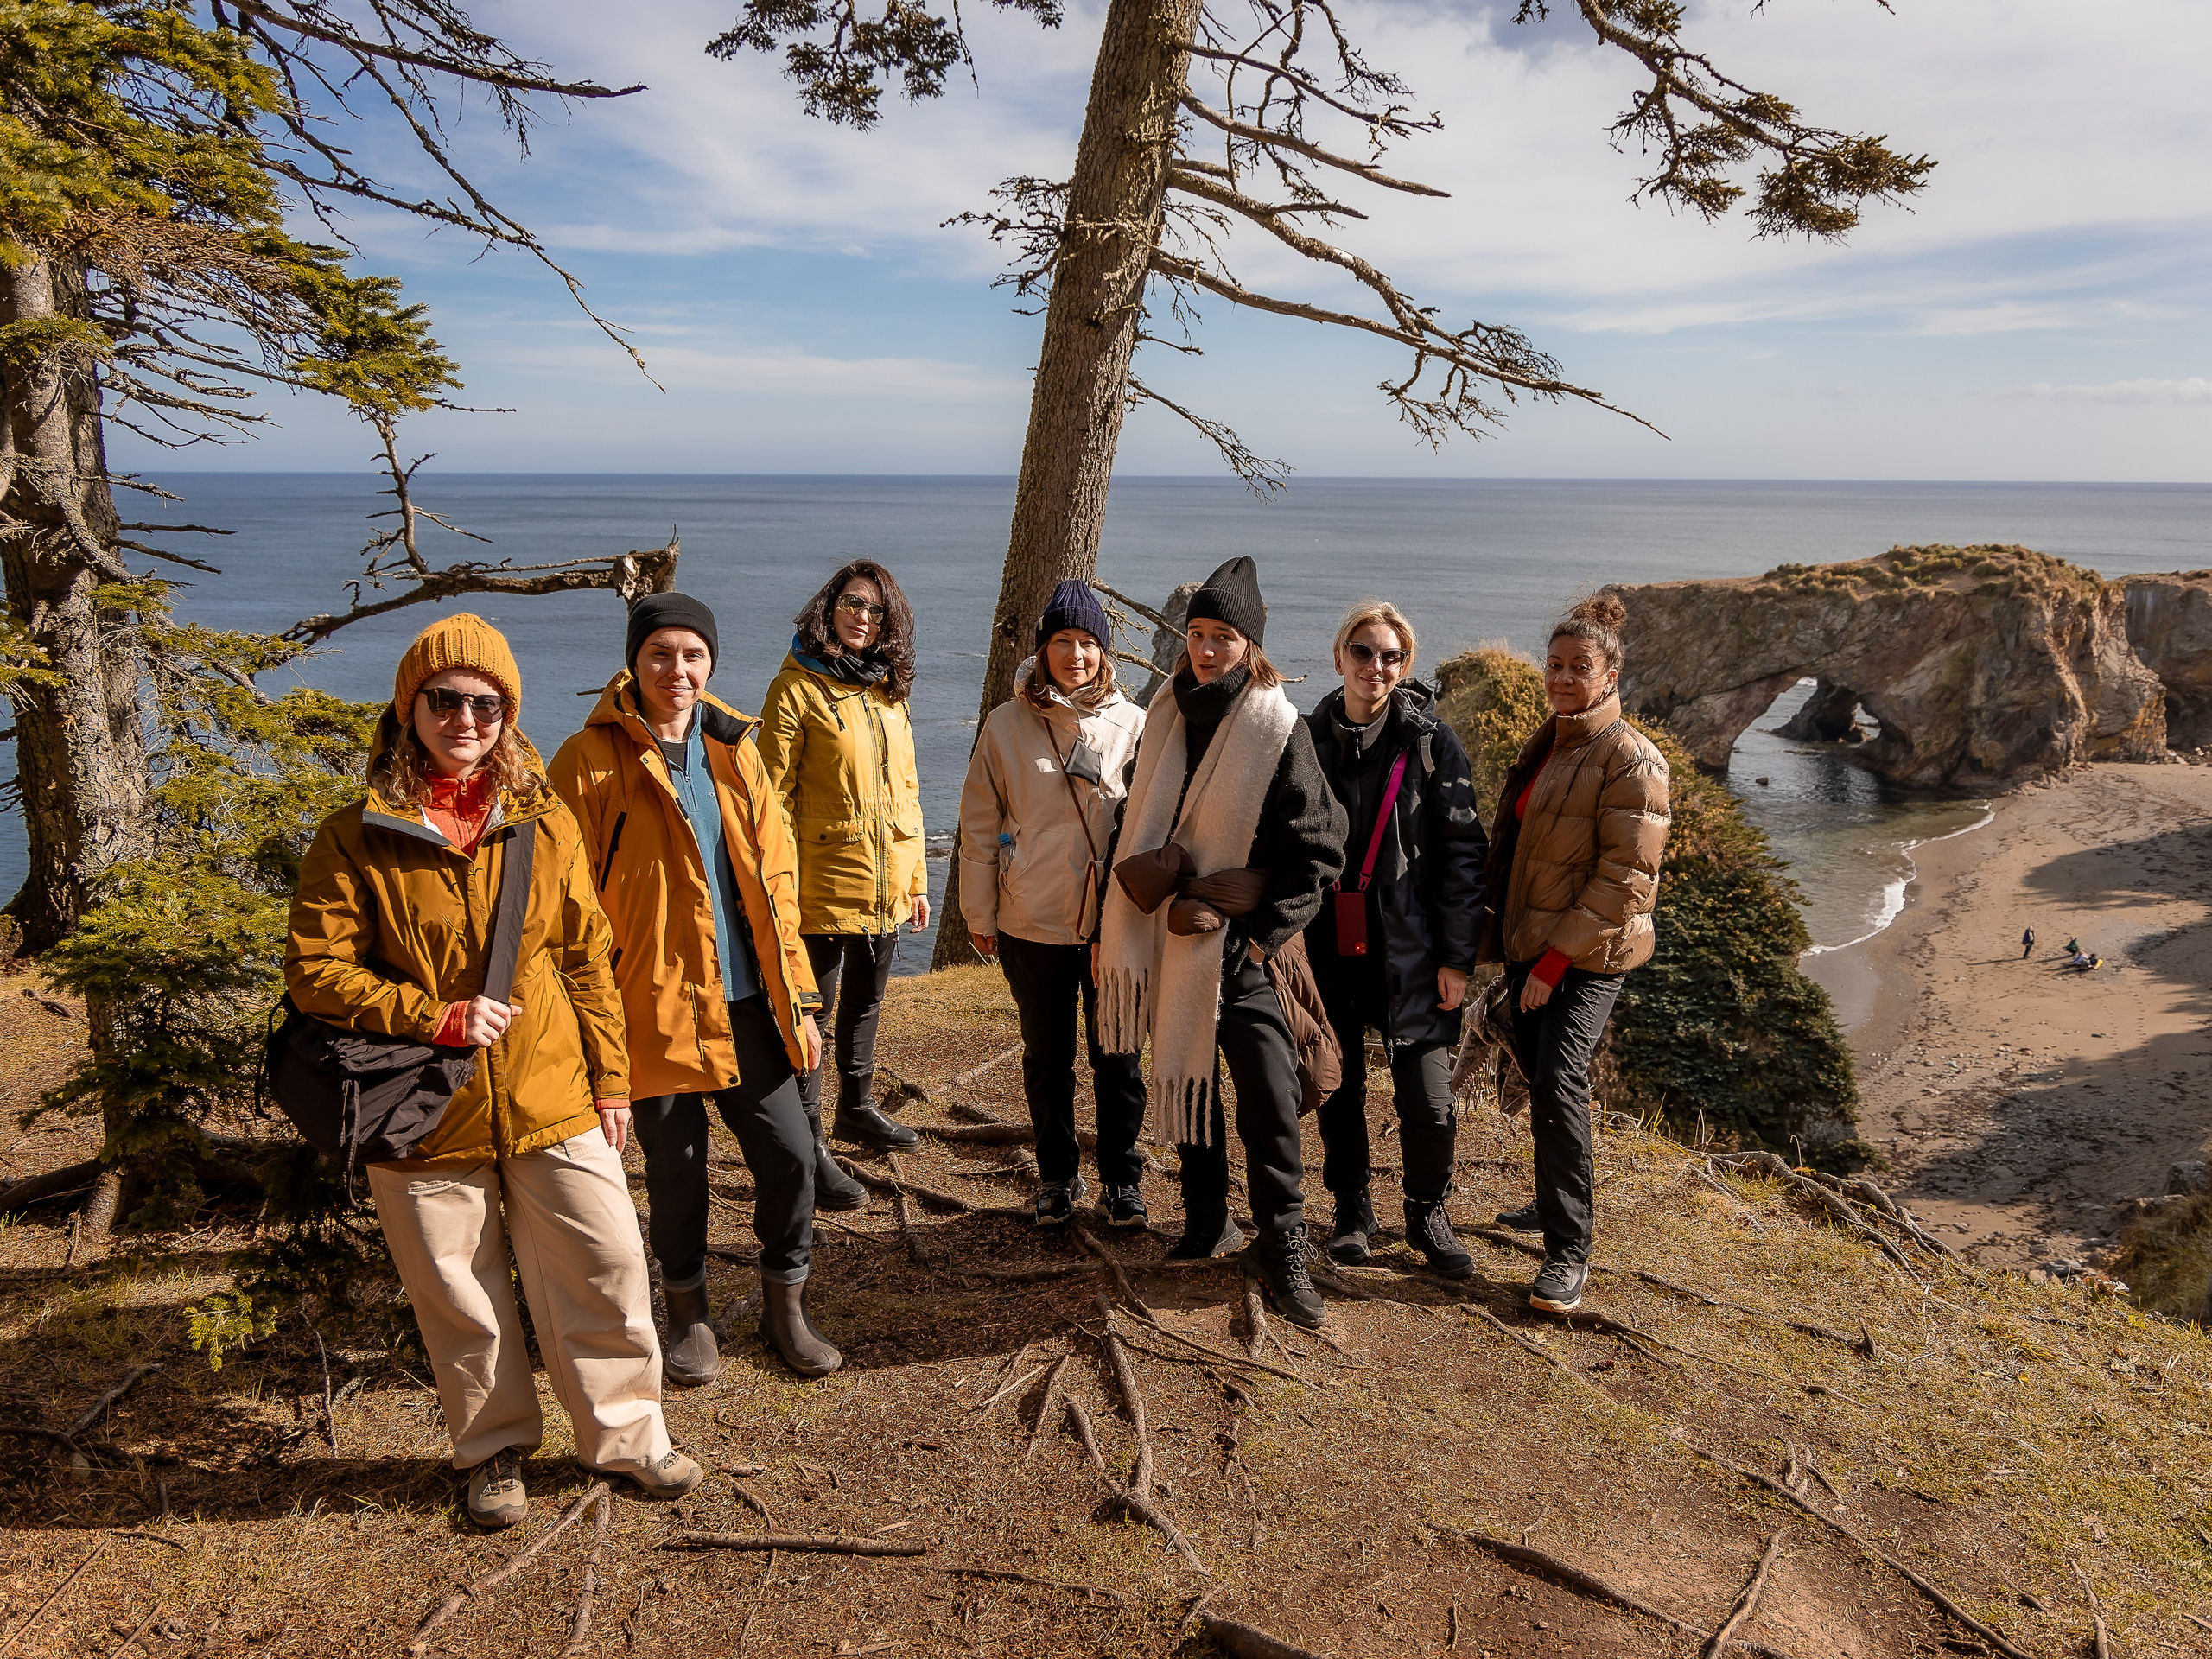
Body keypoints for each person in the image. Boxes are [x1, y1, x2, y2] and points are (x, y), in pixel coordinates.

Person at [286, 614, 699, 1531]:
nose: (465, 719)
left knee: (606, 1263)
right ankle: (493, 1449)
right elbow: (316, 973)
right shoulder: (355, 836)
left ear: (508, 714)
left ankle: (628, 1434)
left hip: (553, 1090)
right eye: (445, 699)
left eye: (487, 703)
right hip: (421, 1108)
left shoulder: (543, 820)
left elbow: (587, 957)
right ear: (409, 708)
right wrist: (432, 1016)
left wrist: (612, 1080)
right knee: (458, 1293)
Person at [550, 593, 841, 1384]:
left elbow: (777, 887)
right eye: (659, 653)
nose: (676, 670)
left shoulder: (736, 750)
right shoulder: (586, 760)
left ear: (710, 663)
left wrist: (802, 1001)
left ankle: (787, 1309)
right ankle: (689, 1317)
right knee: (677, 1170)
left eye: (692, 655)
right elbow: (565, 902)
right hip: (649, 1004)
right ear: (634, 661)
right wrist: (586, 1024)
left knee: (791, 1156)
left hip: (749, 1001)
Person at [1098, 556, 1347, 1329]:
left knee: (1269, 1102)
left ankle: (1282, 1247)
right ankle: (1208, 1219)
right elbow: (1138, 811)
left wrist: (1262, 939)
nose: (1206, 650)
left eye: (1224, 637)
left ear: (1250, 644)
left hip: (1246, 947)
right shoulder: (1167, 714)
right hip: (1173, 934)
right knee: (1188, 1075)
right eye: (1198, 633)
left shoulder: (1279, 728)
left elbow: (1320, 849)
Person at [1483, 594, 1670, 1315]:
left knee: (1558, 1077)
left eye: (1579, 667)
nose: (1563, 677)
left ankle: (1568, 1251)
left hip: (1589, 957)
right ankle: (1551, 1198)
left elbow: (1627, 879)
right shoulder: (1553, 742)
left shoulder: (1631, 757)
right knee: (1540, 1077)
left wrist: (1554, 964)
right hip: (1533, 945)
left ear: (1610, 675)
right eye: (1555, 665)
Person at [1304, 601, 1488, 1275]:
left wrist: (1458, 958)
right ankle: (1352, 1208)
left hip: (1413, 953)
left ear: (1405, 666)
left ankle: (1427, 1212)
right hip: (1327, 948)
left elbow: (1464, 855)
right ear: (1339, 657)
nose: (1375, 666)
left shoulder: (1432, 744)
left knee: (1429, 1101)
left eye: (1391, 656)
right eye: (1362, 651)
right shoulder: (1305, 739)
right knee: (1340, 1087)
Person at [957, 581, 1148, 1227]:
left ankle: (1123, 1180)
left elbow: (1149, 827)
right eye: (1062, 641)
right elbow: (979, 824)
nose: (1075, 655)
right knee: (1047, 1059)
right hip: (1031, 919)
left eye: (1088, 642)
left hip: (1114, 925)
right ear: (1042, 650)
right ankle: (1058, 1177)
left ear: (1104, 651)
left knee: (1119, 1057)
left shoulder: (1134, 724)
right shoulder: (1006, 724)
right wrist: (980, 914)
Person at [759, 560, 930, 1163]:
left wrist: (916, 879)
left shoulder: (887, 690)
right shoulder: (796, 688)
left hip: (886, 883)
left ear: (890, 622)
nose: (863, 617)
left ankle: (855, 1108)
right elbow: (771, 797)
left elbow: (907, 789)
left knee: (866, 1003)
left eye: (877, 610)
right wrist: (782, 884)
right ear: (829, 609)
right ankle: (809, 1142)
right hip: (819, 885)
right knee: (814, 1016)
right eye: (853, 603)